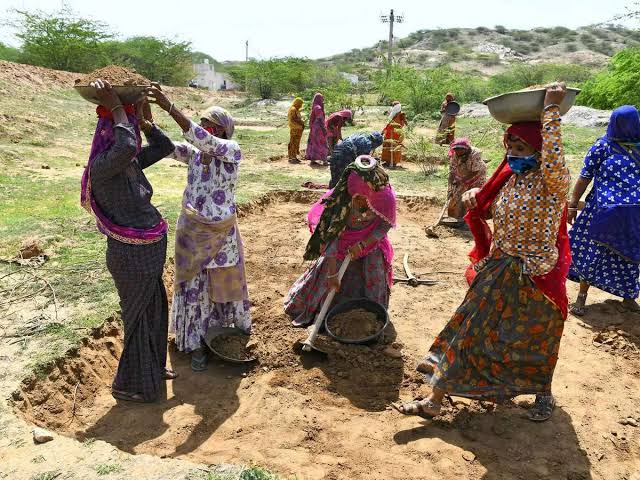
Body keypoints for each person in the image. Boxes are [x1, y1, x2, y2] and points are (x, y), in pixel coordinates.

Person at [394, 84, 571, 422]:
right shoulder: (510, 181)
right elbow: (493, 212)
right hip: (500, 267)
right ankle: (435, 399)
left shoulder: (553, 183)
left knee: (536, 338)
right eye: (510, 147)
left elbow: (554, 159)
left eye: (522, 146)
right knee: (468, 329)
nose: (515, 153)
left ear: (540, 148)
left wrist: (550, 110)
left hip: (537, 275)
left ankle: (543, 393)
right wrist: (477, 197)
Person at [81, 79, 176, 403]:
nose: (132, 134)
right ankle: (131, 384)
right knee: (137, 318)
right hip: (130, 257)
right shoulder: (104, 167)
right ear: (110, 134)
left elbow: (163, 147)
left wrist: (146, 120)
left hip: (147, 253)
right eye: (127, 128)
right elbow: (124, 145)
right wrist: (119, 107)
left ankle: (150, 368)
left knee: (153, 311)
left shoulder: (128, 162)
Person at [144, 87, 252, 372]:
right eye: (202, 124)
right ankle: (195, 344)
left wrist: (171, 108)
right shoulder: (194, 154)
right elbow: (166, 146)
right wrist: (146, 118)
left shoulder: (232, 151)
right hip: (192, 232)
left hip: (221, 235)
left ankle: (224, 335)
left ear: (222, 131)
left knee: (220, 283)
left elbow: (202, 139)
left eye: (209, 126)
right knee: (194, 287)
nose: (203, 129)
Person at [285, 156, 396, 327]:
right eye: (357, 198)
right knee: (330, 284)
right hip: (339, 244)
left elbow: (383, 226)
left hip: (371, 245)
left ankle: (371, 319)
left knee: (372, 281)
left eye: (364, 198)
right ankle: (326, 316)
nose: (360, 202)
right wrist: (332, 274)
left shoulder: (384, 197)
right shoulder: (340, 201)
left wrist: (363, 244)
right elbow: (331, 237)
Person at [568, 105, 640, 316]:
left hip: (633, 214)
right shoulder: (603, 146)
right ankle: (581, 297)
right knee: (593, 253)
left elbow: (584, 177)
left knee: (632, 254)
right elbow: (585, 176)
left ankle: (628, 297)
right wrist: (573, 204)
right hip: (601, 212)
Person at [446, 138, 487, 221]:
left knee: (474, 196)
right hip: (462, 174)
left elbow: (475, 171)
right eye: (456, 149)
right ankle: (457, 218)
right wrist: (450, 187)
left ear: (466, 149)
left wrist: (461, 180)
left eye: (460, 149)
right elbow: (452, 171)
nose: (458, 151)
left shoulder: (475, 153)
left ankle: (472, 219)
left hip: (478, 175)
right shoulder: (454, 154)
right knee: (456, 195)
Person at [381, 101, 407, 167]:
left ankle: (394, 162)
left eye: (393, 106)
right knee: (387, 146)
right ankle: (387, 161)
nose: (392, 107)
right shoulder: (393, 114)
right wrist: (384, 130)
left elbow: (403, 124)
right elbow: (388, 123)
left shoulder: (401, 115)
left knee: (394, 147)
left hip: (396, 134)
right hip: (389, 133)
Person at [306, 92, 329, 164]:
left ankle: (313, 160)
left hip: (314, 128)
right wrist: (324, 129)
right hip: (319, 128)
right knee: (322, 143)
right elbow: (320, 118)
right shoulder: (318, 108)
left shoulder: (314, 106)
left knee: (315, 143)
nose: (323, 100)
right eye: (322, 99)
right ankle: (324, 160)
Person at [288, 97, 305, 163]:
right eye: (300, 104)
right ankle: (292, 157)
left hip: (298, 129)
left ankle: (294, 156)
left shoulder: (296, 109)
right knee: (293, 142)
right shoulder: (293, 109)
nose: (301, 105)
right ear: (297, 103)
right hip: (295, 129)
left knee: (296, 143)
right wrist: (301, 122)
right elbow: (294, 119)